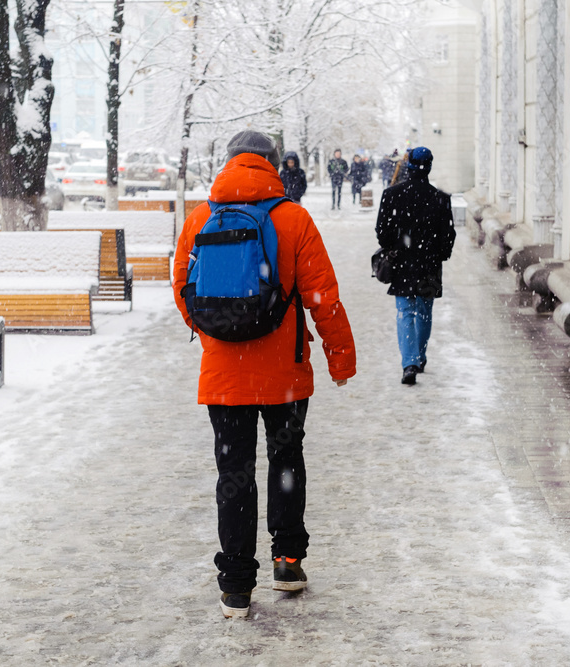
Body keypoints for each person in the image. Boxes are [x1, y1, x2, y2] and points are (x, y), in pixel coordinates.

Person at [173, 130, 357, 619]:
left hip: (223, 377)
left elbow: (182, 291)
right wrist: (341, 358)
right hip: (286, 377)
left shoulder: (199, 218)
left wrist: (217, 334)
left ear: (229, 163)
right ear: (273, 165)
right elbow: (323, 297)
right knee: (286, 461)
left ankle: (235, 586)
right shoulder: (294, 219)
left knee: (233, 475)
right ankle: (288, 562)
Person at [375, 146, 455, 386]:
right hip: (429, 264)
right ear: (429, 166)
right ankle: (419, 357)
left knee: (405, 312)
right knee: (424, 312)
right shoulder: (441, 198)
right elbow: (448, 234)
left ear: (408, 165)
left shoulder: (392, 194)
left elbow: (382, 231)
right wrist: (439, 254)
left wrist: (393, 247)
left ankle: (409, 361)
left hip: (403, 263)